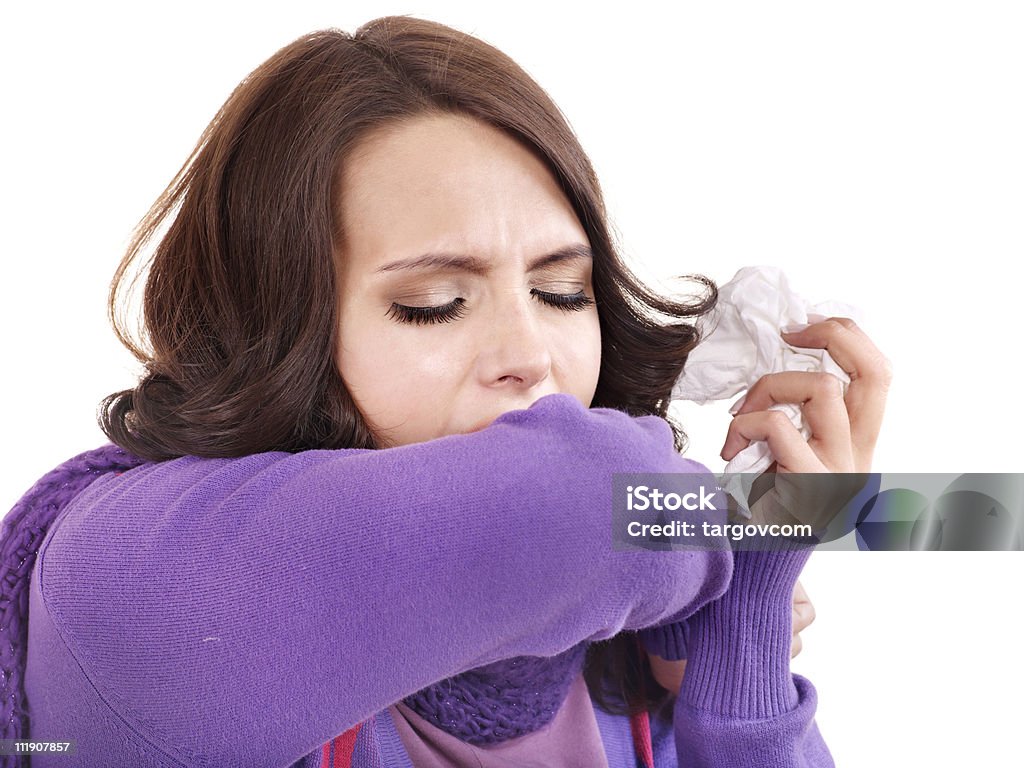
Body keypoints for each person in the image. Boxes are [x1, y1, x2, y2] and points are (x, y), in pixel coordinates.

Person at [1, 15, 891, 768]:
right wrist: (721, 535)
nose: (529, 354)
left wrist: (744, 629)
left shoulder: (616, 652)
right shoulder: (118, 577)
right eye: (433, 306)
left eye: (562, 293)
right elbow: (586, 504)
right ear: (274, 331)